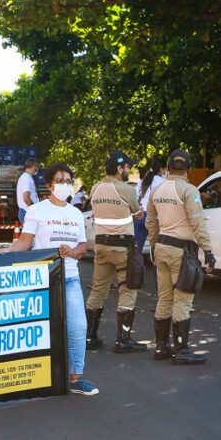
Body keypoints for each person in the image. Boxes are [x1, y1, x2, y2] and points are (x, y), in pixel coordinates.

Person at [5, 163, 98, 395]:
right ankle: (31, 378)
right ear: (49, 185)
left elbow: (83, 245)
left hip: (70, 279)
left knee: (78, 326)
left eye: (69, 180)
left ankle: (75, 379)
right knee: (38, 331)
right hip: (42, 280)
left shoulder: (76, 213)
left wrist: (74, 252)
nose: (65, 184)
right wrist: (4, 252)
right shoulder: (37, 210)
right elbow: (24, 243)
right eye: (60, 180)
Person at [147, 149, 215, 364]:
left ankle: (161, 348)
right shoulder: (189, 190)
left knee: (164, 297)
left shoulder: (156, 190)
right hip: (182, 252)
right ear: (189, 169)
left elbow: (151, 222)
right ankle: (181, 351)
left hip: (162, 247)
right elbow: (198, 223)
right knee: (183, 299)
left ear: (167, 167)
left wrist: (153, 247)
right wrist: (209, 252)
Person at [85, 150, 146, 353]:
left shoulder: (95, 188)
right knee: (127, 290)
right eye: (128, 167)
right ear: (119, 168)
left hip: (101, 246)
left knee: (98, 291)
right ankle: (124, 340)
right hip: (122, 248)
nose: (129, 170)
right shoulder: (126, 190)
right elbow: (138, 213)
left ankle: (89, 336)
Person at [135, 156, 166, 255]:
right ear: (161, 170)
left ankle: (132, 270)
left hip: (140, 216)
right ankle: (156, 270)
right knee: (156, 252)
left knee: (135, 252)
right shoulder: (163, 182)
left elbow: (136, 196)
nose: (165, 172)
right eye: (165, 169)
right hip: (154, 218)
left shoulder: (142, 181)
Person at [16, 158, 39, 226]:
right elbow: (26, 198)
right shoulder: (27, 178)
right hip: (27, 212)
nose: (36, 169)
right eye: (36, 166)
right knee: (31, 235)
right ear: (34, 166)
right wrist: (33, 210)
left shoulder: (25, 177)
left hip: (26, 211)